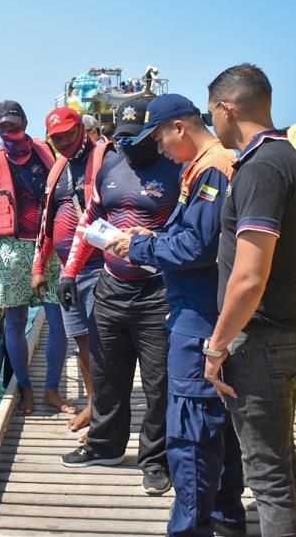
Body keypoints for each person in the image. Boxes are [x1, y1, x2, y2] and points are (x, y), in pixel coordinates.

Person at [107, 94, 246, 535]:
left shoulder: (211, 168)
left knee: (190, 434)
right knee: (219, 432)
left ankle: (190, 527)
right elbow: (191, 232)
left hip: (199, 318)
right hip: (202, 311)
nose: (160, 149)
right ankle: (226, 520)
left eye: (162, 137)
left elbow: (197, 248)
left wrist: (140, 246)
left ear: (180, 128)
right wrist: (152, 233)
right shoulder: (208, 165)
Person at [202, 63, 296, 536]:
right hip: (288, 329)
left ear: (227, 108)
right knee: (280, 459)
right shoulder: (287, 158)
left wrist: (216, 347)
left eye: (213, 115)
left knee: (266, 478)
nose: (214, 126)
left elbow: (249, 277)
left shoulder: (261, 169)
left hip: (263, 340)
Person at [58, 97, 180, 497]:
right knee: (108, 372)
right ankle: (105, 446)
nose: (127, 145)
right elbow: (89, 220)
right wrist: (69, 272)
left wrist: (157, 241)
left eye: (136, 138)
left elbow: (190, 232)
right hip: (112, 285)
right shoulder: (110, 163)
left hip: (156, 290)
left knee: (159, 381)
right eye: (121, 137)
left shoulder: (176, 168)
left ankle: (155, 459)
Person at [0, 99, 65, 416]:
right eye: (4, 126)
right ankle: (25, 387)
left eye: (15, 124)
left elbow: (63, 192)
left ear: (25, 121)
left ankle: (52, 388)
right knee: (15, 321)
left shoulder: (44, 152)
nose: (11, 131)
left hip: (47, 246)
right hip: (9, 249)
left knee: (58, 320)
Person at [32, 106, 107, 432]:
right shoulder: (57, 169)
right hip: (67, 273)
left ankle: (107, 412)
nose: (62, 142)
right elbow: (47, 223)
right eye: (55, 138)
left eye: (67, 135)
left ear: (82, 129)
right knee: (83, 343)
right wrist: (38, 266)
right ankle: (94, 404)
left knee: (106, 343)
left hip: (101, 267)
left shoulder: (105, 159)